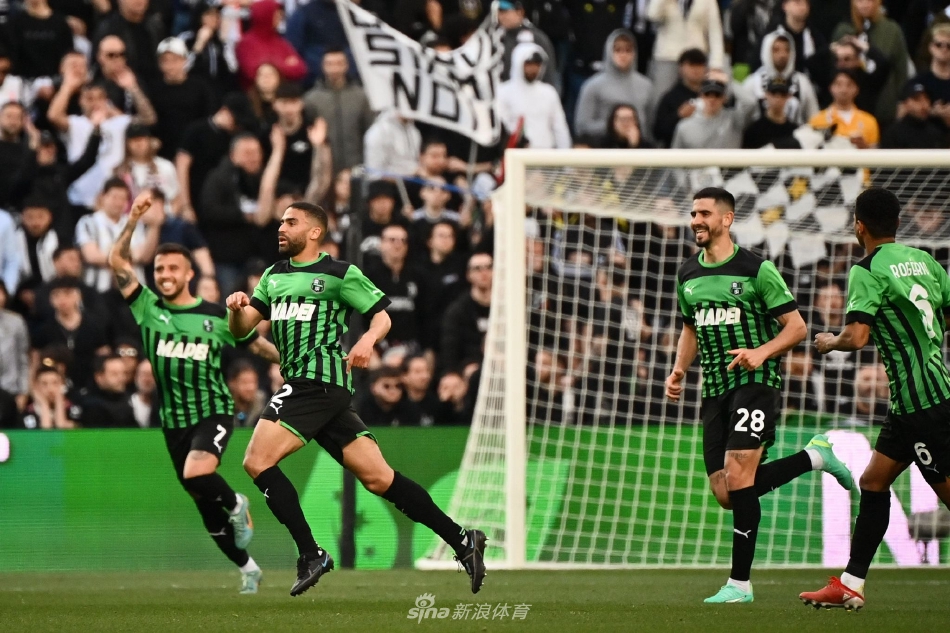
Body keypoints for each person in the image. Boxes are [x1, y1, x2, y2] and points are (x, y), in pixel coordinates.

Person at [225, 201, 487, 597]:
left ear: (315, 232)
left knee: (257, 460)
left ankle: (311, 553)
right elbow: (242, 330)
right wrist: (236, 309)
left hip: (317, 381)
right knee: (380, 478)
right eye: (281, 221)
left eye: (291, 222)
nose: (281, 227)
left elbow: (382, 316)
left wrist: (366, 340)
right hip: (315, 389)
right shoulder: (273, 275)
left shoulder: (339, 273)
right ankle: (463, 540)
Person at [665, 187, 853, 604]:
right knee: (726, 494)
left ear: (727, 219)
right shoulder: (687, 274)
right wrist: (679, 369)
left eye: (704, 213)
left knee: (738, 475)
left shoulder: (757, 269)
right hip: (714, 389)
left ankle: (739, 585)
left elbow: (797, 328)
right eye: (693, 213)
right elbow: (690, 328)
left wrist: (761, 352)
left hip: (756, 382)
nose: (696, 221)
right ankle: (814, 457)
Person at [108, 190, 280, 594]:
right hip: (173, 422)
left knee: (197, 473)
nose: (164, 274)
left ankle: (238, 504)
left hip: (213, 411)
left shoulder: (216, 316)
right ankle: (249, 569)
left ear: (189, 274)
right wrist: (133, 220)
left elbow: (256, 345)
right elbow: (117, 261)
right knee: (202, 499)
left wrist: (292, 364)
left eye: (173, 268)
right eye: (159, 268)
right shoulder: (148, 308)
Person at [801, 188, 950, 610]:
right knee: (873, 482)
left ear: (859, 226)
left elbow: (857, 336)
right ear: (899, 223)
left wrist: (829, 341)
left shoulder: (866, 269)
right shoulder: (925, 260)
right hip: (915, 400)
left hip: (922, 404)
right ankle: (850, 584)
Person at [574, 29, 655, 144]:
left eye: (628, 50)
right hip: (603, 148)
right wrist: (614, 126)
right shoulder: (593, 85)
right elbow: (582, 126)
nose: (623, 55)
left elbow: (650, 127)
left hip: (637, 148)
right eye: (618, 50)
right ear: (609, 51)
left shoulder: (646, 86)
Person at [302, 48, 374, 174]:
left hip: (357, 167)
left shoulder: (361, 97)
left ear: (346, 65)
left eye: (339, 63)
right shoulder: (311, 99)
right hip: (324, 168)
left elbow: (370, 132)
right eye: (329, 64)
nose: (334, 69)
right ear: (323, 66)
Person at [497, 43, 571, 149]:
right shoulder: (503, 92)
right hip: (516, 152)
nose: (533, 69)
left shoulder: (549, 92)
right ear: (518, 63)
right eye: (529, 64)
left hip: (545, 153)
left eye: (537, 65)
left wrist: (565, 155)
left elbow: (560, 128)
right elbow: (502, 126)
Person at [742, 31, 819, 125]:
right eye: (776, 50)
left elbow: (814, 117)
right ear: (766, 51)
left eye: (787, 50)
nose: (782, 55)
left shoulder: (802, 82)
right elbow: (741, 120)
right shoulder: (752, 83)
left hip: (795, 132)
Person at [671, 72, 758, 149]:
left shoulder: (734, 119)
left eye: (717, 95)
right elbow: (675, 158)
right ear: (701, 96)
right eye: (707, 94)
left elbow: (750, 102)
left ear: (724, 98)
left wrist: (729, 81)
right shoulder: (685, 126)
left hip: (728, 163)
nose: (712, 99)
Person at [808, 69, 879, 149]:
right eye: (839, 85)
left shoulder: (869, 121)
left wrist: (863, 146)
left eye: (849, 85)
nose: (844, 90)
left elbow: (875, 153)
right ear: (831, 88)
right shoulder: (817, 120)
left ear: (857, 89)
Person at [653, 48, 707, 147]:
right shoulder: (670, 98)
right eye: (691, 65)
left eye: (699, 65)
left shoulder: (713, 95)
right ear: (681, 68)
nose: (696, 69)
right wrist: (679, 115)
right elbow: (658, 133)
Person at [880, 81, 948, 149]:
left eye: (926, 99)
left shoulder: (936, 133)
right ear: (905, 103)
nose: (924, 104)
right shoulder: (893, 133)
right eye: (917, 99)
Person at [741, 79, 800, 148]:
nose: (778, 98)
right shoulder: (754, 131)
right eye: (774, 93)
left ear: (788, 97)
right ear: (766, 95)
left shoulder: (794, 131)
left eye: (783, 94)